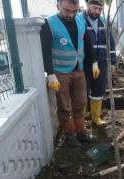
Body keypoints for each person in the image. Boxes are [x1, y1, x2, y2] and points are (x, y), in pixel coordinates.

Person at [40, 0, 99, 147]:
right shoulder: (49, 23)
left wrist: (94, 62)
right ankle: (69, 136)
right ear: (58, 5)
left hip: (78, 70)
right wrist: (51, 74)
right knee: (64, 106)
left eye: (75, 11)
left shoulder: (80, 19)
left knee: (80, 102)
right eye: (67, 11)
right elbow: (45, 51)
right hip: (60, 73)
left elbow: (87, 43)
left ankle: (81, 132)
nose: (71, 14)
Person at [82, 0, 117, 127]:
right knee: (83, 93)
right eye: (94, 8)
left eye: (99, 9)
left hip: (101, 62)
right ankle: (81, 122)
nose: (97, 11)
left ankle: (95, 118)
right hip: (84, 64)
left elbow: (111, 42)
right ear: (87, 5)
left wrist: (112, 61)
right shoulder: (80, 20)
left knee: (98, 90)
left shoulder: (104, 21)